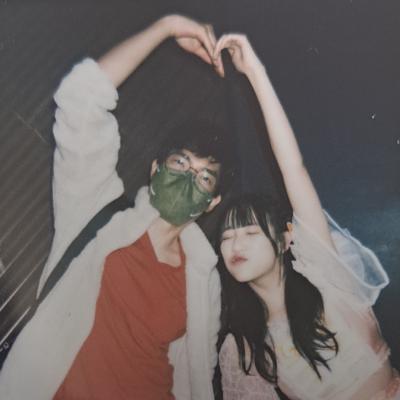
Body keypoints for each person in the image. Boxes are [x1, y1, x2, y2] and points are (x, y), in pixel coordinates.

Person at [0, 15, 234, 400]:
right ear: (156, 168)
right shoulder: (97, 207)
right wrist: (166, 27)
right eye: (180, 162)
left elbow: (197, 374)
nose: (189, 179)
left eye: (205, 177)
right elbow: (80, 100)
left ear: (213, 202)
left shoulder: (202, 274)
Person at [212, 34, 400, 400]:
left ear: (285, 239)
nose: (235, 245)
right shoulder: (244, 348)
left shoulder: (325, 279)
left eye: (249, 231)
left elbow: (293, 168)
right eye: (227, 236)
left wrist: (255, 74)